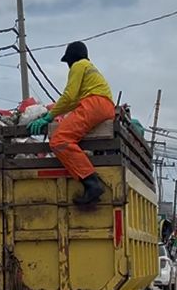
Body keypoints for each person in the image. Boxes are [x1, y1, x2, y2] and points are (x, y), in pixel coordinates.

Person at [27, 41, 115, 204]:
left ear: (71, 58)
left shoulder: (78, 65)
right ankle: (91, 183)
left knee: (59, 140)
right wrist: (54, 114)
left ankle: (92, 183)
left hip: (94, 104)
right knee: (70, 137)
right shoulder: (90, 69)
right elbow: (73, 101)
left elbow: (69, 96)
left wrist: (48, 117)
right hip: (105, 106)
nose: (68, 66)